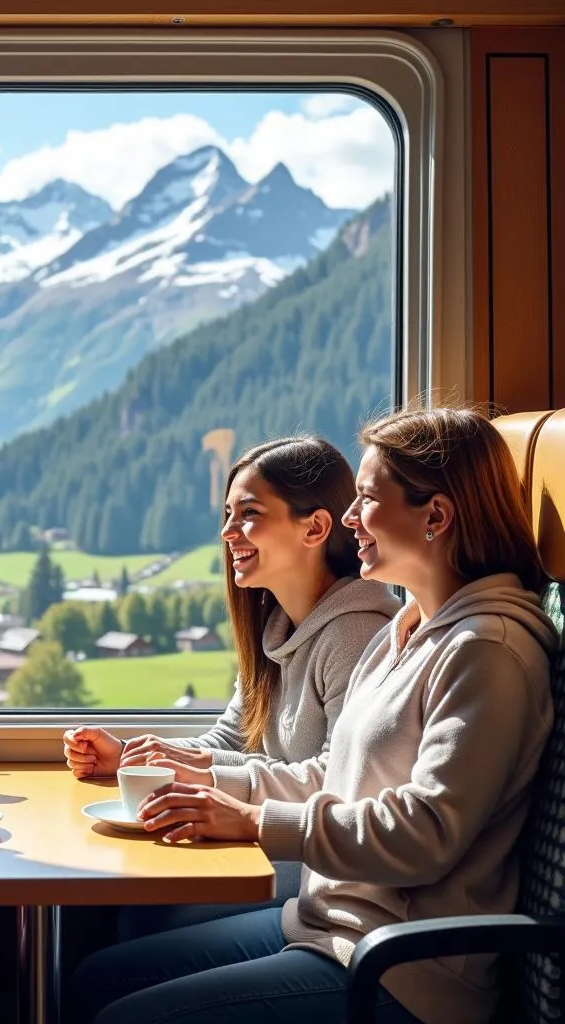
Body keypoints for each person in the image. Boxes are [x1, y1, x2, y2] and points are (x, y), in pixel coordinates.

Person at [69, 407, 556, 1024]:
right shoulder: (409, 630)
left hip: (404, 970)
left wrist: (256, 822)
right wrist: (211, 783)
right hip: (327, 923)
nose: (350, 519)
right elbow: (333, 772)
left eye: (368, 499)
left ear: (435, 516)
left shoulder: (488, 651)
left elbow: (427, 834)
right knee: (97, 979)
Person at [64, 437, 398, 936]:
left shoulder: (357, 634)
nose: (227, 532)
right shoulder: (279, 626)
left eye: (248, 514)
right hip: (275, 847)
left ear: (315, 527)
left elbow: (337, 780)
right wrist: (138, 757)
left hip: (315, 869)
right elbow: (230, 740)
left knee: (142, 917)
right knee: (121, 909)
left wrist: (204, 776)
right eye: (226, 514)